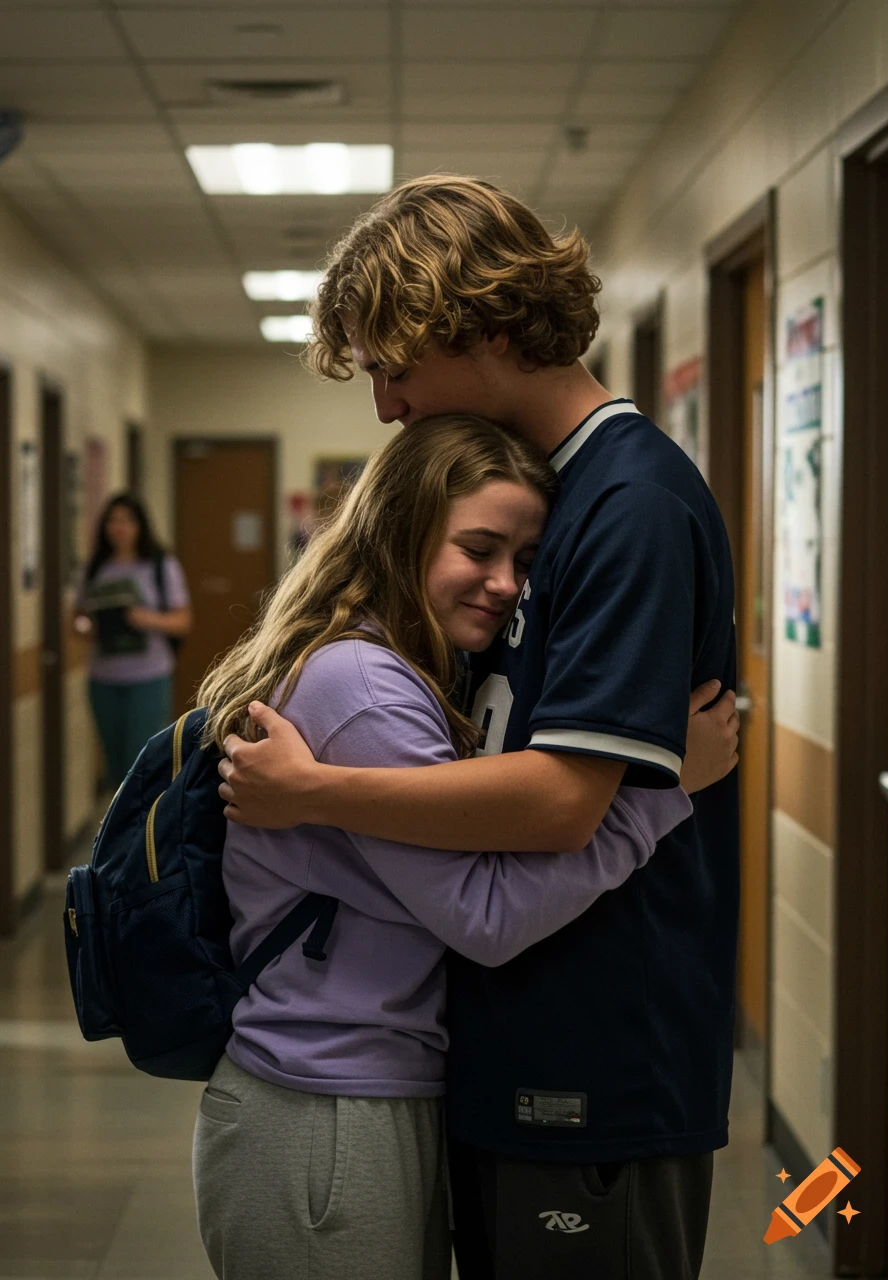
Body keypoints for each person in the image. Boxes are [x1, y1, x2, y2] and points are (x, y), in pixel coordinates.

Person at [217, 176, 740, 1280]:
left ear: (483, 327)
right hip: (501, 1051)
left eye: (393, 368)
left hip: (595, 1055)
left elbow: (559, 801)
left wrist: (316, 790)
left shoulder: (627, 503)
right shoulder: (551, 491)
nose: (385, 405)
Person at [75, 493, 192, 789]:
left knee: (140, 763)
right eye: (113, 521)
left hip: (148, 678)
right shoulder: (94, 569)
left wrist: (145, 619)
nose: (119, 527)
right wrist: (89, 625)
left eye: (127, 520)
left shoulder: (160, 565)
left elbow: (183, 622)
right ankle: (123, 829)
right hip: (103, 679)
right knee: (115, 765)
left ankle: (144, 831)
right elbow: (76, 621)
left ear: (140, 526)